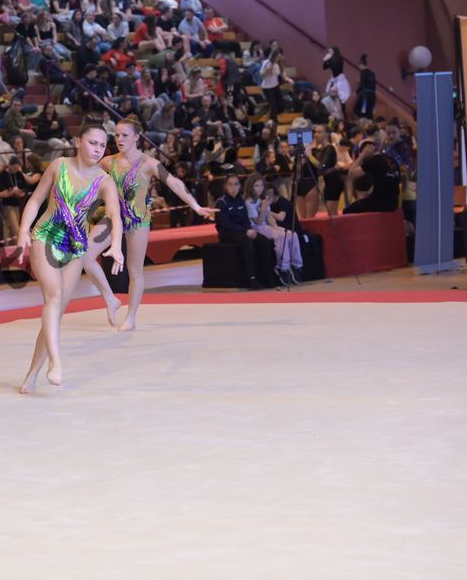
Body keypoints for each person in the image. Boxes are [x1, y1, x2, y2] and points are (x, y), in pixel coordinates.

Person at [16, 123, 125, 393]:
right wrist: (23, 230)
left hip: (76, 247)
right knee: (53, 296)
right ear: (78, 142)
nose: (98, 149)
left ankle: (33, 372)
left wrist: (117, 245)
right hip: (46, 236)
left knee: (56, 313)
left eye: (102, 145)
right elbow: (35, 200)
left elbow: (114, 215)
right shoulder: (59, 166)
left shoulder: (105, 181)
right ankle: (55, 362)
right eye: (92, 143)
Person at [82, 117, 216, 331]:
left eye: (125, 135)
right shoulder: (108, 162)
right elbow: (84, 178)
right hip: (114, 218)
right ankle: (110, 298)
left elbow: (174, 183)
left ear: (136, 137)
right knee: (85, 255)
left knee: (134, 270)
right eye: (116, 135)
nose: (119, 139)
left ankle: (131, 317)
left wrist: (196, 206)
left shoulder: (149, 163)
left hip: (137, 221)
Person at [215, 173, 276, 289]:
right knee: (247, 241)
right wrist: (245, 231)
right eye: (230, 185)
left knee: (265, 242)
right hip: (227, 233)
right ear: (225, 187)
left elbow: (245, 219)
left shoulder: (240, 200)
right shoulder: (221, 202)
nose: (233, 188)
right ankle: (251, 278)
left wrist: (249, 229)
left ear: (239, 186)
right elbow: (226, 224)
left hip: (243, 230)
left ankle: (266, 275)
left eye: (236, 184)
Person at [244, 172, 303, 285]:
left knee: (292, 234)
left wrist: (276, 227)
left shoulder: (263, 199)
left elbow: (269, 217)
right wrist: (263, 209)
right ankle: (283, 268)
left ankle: (297, 265)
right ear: (251, 187)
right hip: (257, 227)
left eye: (261, 185)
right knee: (280, 236)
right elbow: (258, 221)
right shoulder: (249, 203)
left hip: (266, 226)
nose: (260, 188)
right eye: (256, 186)